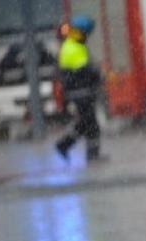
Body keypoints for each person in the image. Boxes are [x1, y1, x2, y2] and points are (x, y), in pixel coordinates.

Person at [55, 15, 103, 162]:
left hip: (79, 91)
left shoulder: (73, 45)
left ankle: (84, 151)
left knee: (88, 123)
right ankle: (66, 145)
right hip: (80, 92)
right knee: (88, 123)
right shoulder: (73, 47)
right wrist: (99, 75)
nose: (87, 36)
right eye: (86, 33)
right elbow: (84, 70)